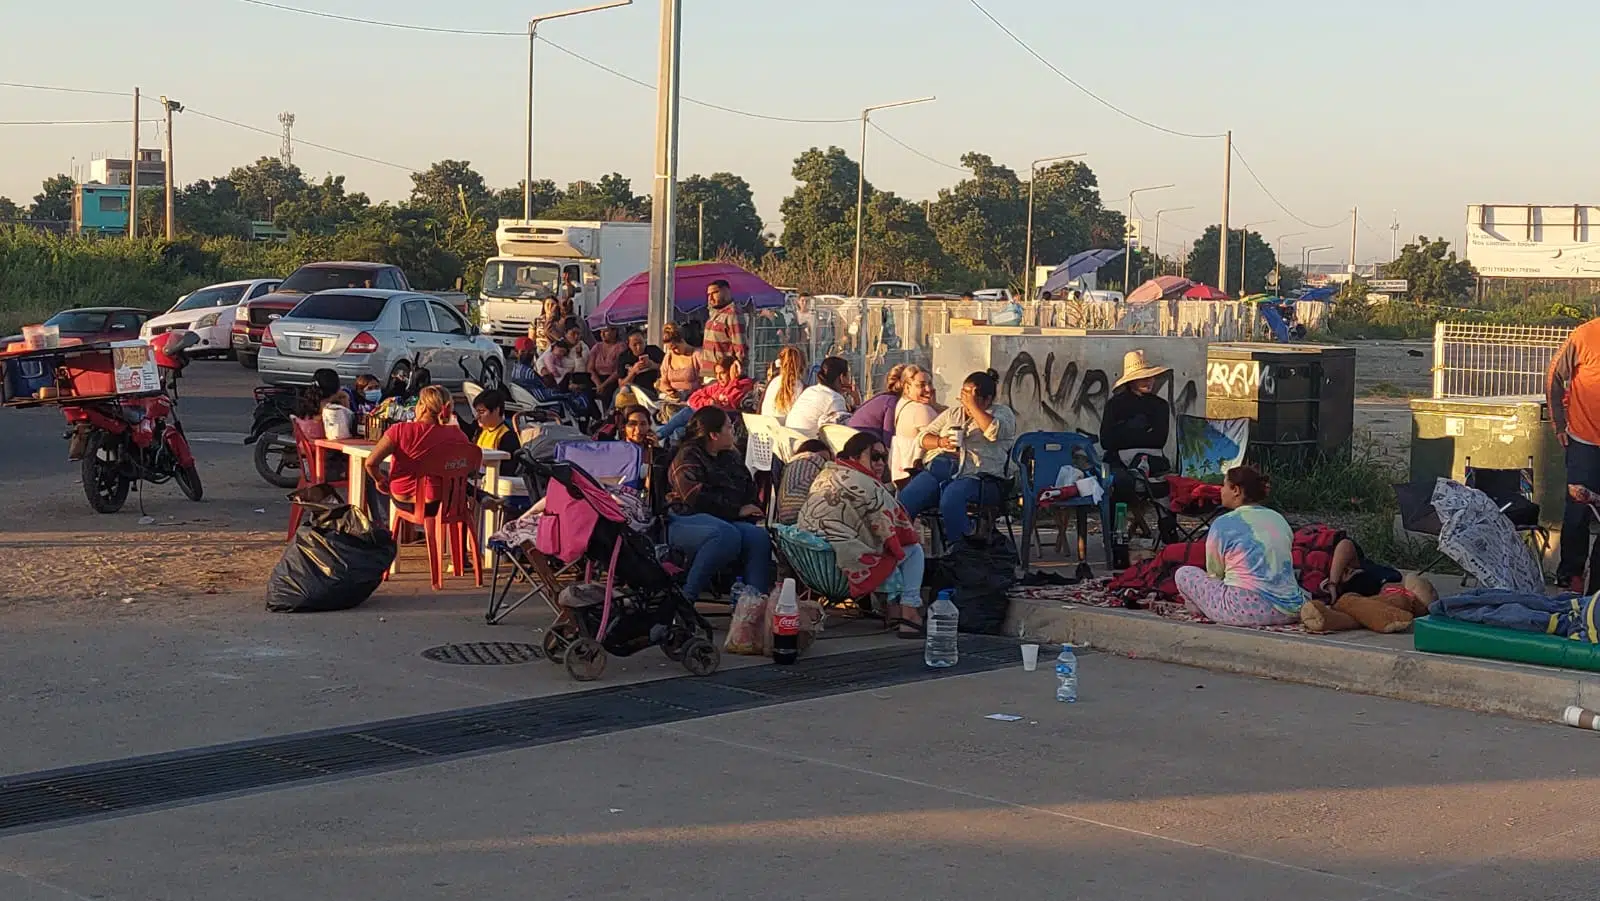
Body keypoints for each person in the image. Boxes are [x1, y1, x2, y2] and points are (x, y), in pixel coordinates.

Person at [799, 431, 926, 638]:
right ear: (854, 457)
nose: (880, 463)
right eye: (874, 457)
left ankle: (894, 610)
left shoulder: (827, 474)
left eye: (884, 458)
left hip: (815, 558)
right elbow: (899, 529)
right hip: (841, 560)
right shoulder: (867, 485)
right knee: (912, 550)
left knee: (886, 546)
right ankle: (909, 612)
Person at [1174, 465, 1307, 626]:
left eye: (1224, 485)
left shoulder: (1224, 523)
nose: (1221, 490)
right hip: (1290, 609)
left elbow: (1215, 574)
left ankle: (1198, 609)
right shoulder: (1278, 519)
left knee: (1183, 573)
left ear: (1236, 490)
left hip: (1243, 609)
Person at [899, 369, 1018, 543]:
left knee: (952, 498)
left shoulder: (1002, 414)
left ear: (988, 399)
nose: (965, 403)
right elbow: (923, 437)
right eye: (964, 396)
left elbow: (993, 431)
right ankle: (900, 549)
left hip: (981, 478)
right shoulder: (953, 414)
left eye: (972, 397)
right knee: (907, 500)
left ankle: (960, 551)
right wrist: (941, 442)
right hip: (942, 469)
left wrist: (974, 408)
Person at [666, 407, 773, 602]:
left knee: (758, 536)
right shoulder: (688, 457)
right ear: (714, 435)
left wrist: (751, 507)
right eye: (729, 427)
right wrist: (736, 510)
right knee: (726, 535)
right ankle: (685, 600)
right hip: (685, 518)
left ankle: (754, 604)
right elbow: (694, 497)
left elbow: (748, 487)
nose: (733, 432)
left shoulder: (730, 457)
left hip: (725, 518)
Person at [1102, 349, 1178, 539]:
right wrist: (1142, 434)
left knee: (1170, 484)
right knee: (1118, 482)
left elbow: (1160, 439)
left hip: (1153, 462)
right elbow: (1107, 441)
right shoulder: (1115, 405)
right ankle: (1115, 536)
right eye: (1143, 378)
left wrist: (1125, 433)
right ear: (1131, 381)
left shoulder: (1160, 405)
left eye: (1150, 377)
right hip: (1119, 463)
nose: (1149, 381)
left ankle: (1169, 533)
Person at [1547, 321, 1600, 590]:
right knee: (1579, 511)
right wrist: (1558, 421)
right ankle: (1571, 575)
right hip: (1585, 441)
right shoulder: (1585, 335)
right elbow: (1555, 375)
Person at [365, 385, 475, 513]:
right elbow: (469, 466)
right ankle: (481, 496)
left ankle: (382, 523)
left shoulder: (399, 430)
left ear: (422, 407)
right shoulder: (457, 434)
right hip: (445, 502)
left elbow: (370, 463)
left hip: (407, 499)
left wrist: (379, 479)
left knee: (382, 478)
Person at [658, 355, 755, 444]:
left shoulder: (743, 385)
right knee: (678, 430)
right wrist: (709, 402)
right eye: (716, 373)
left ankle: (659, 434)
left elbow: (731, 400)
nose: (719, 377)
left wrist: (734, 380)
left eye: (723, 373)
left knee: (687, 413)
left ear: (732, 372)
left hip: (722, 422)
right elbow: (692, 399)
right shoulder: (716, 386)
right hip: (705, 418)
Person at [848, 363, 923, 445]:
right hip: (863, 445)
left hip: (853, 439)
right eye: (920, 385)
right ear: (907, 386)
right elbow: (889, 438)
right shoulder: (892, 403)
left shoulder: (884, 397)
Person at [890, 365, 940, 485]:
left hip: (905, 475)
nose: (928, 389)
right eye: (921, 385)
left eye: (930, 383)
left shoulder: (902, 403)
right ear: (907, 388)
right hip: (922, 478)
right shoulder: (920, 409)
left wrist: (935, 405)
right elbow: (943, 437)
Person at [457, 387, 521, 477]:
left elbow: (506, 470)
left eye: (482, 412)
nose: (477, 416)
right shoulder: (479, 427)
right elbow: (466, 433)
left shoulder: (507, 436)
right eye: (477, 412)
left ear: (496, 410)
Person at [785, 355, 856, 435]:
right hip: (808, 444)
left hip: (792, 439)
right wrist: (857, 400)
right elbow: (842, 433)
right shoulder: (835, 399)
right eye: (849, 375)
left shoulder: (810, 390)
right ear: (842, 377)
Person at [775, 439, 830, 526]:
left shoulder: (790, 465)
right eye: (823, 459)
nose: (824, 462)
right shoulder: (812, 459)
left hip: (784, 517)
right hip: (799, 516)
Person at [702, 278, 747, 365]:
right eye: (708, 294)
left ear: (726, 292)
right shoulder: (713, 314)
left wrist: (738, 367)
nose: (710, 298)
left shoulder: (733, 314)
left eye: (715, 293)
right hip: (709, 369)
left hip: (724, 371)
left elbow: (740, 346)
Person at [657, 324, 702, 403]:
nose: (673, 351)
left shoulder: (696, 355)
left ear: (682, 341)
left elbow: (704, 382)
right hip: (672, 398)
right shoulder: (669, 357)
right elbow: (663, 382)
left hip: (692, 398)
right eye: (670, 349)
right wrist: (670, 392)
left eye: (675, 348)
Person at [761, 345, 807, 420]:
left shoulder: (773, 382)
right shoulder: (801, 388)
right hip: (786, 430)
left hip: (765, 428)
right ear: (803, 367)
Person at [616, 328, 664, 401]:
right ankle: (613, 411)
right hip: (630, 390)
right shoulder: (624, 357)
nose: (638, 347)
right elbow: (621, 384)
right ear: (628, 345)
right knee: (621, 391)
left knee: (623, 391)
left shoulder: (654, 351)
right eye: (634, 345)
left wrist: (653, 365)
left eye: (641, 343)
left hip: (651, 390)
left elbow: (669, 368)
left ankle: (612, 411)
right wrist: (633, 372)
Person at [588, 325, 626, 403]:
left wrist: (603, 385)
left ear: (614, 332)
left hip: (612, 380)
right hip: (596, 379)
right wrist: (598, 383)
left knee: (608, 393)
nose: (602, 334)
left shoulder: (621, 347)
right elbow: (590, 368)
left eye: (605, 331)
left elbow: (618, 370)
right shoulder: (597, 347)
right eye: (601, 332)